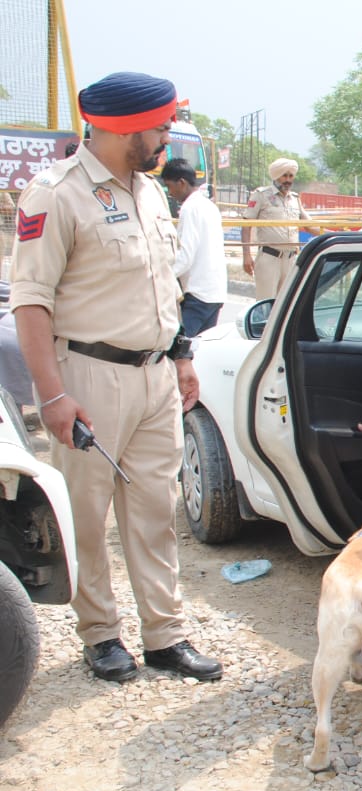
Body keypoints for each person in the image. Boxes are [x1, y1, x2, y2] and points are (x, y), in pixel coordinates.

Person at [8, 71, 222, 684]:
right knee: (88, 509)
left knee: (156, 507)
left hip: (155, 376)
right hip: (90, 377)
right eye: (159, 127)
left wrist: (181, 356)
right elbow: (31, 304)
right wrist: (52, 394)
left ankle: (165, 635)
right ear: (125, 127)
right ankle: (100, 634)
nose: (166, 140)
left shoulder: (152, 193)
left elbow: (166, 288)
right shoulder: (56, 194)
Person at [160, 157, 227, 336]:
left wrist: (161, 279)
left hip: (197, 294)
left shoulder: (190, 209)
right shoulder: (209, 206)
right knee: (199, 350)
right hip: (215, 292)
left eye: (169, 186)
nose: (170, 192)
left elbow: (185, 256)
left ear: (181, 183)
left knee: (180, 351)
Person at [240, 157, 310, 301]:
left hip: (291, 259)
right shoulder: (261, 195)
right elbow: (246, 225)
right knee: (266, 303)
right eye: (284, 175)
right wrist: (246, 255)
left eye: (291, 176)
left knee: (286, 304)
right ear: (276, 176)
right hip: (269, 258)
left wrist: (335, 234)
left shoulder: (294, 199)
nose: (288, 180)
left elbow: (310, 225)